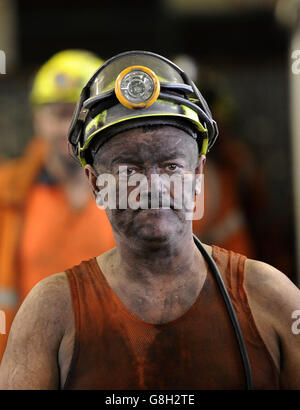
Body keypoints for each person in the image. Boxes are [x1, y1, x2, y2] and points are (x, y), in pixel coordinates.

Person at [0, 50, 299, 390]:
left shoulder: (270, 299)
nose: (153, 185)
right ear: (96, 182)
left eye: (171, 165)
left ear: (198, 172)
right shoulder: (49, 312)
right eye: (129, 169)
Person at [0, 50, 115, 361]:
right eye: (61, 114)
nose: (71, 130)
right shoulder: (7, 193)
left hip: (113, 366)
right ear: (38, 119)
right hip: (26, 365)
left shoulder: (133, 194)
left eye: (84, 116)